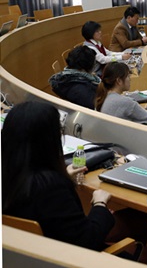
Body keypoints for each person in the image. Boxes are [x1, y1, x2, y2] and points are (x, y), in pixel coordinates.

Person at [2, 101, 114, 250]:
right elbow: (86, 241)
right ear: (50, 139)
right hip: (70, 258)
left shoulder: (10, 176)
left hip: (23, 257)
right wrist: (100, 204)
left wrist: (64, 176)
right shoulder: (51, 187)